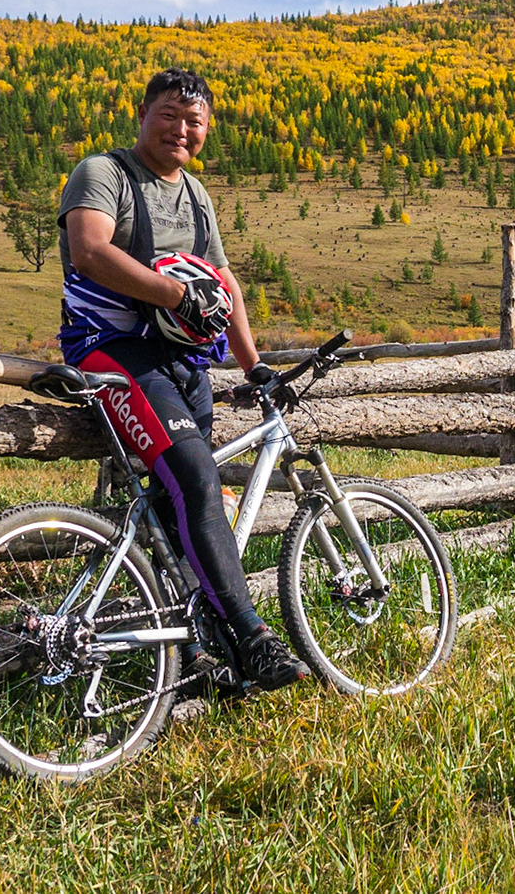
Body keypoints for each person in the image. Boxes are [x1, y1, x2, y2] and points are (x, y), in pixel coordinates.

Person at [56, 67, 306, 689]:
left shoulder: (196, 196)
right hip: (111, 353)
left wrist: (255, 367)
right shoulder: (103, 173)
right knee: (195, 477)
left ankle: (192, 656)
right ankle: (251, 638)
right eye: (169, 114)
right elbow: (89, 250)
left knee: (181, 502)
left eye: (194, 121)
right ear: (143, 115)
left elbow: (226, 284)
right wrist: (173, 294)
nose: (181, 129)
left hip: (186, 364)